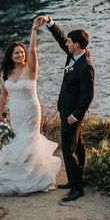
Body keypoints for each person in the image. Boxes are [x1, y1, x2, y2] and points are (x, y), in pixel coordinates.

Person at [0, 18, 60, 196]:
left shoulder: (30, 69)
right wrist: (0, 114)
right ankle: (17, 173)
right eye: (16, 53)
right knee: (16, 140)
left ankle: (32, 176)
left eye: (22, 53)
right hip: (16, 111)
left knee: (28, 140)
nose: (20, 55)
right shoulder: (5, 73)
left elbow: (33, 50)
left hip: (31, 110)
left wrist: (33, 31)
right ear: (10, 55)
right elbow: (3, 95)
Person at [34, 14, 95, 203]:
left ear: (77, 45)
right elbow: (61, 39)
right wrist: (49, 22)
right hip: (67, 109)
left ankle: (76, 188)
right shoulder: (74, 54)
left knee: (68, 149)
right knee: (79, 145)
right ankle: (78, 179)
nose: (66, 44)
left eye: (70, 42)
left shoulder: (86, 67)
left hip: (72, 114)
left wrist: (76, 115)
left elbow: (88, 95)